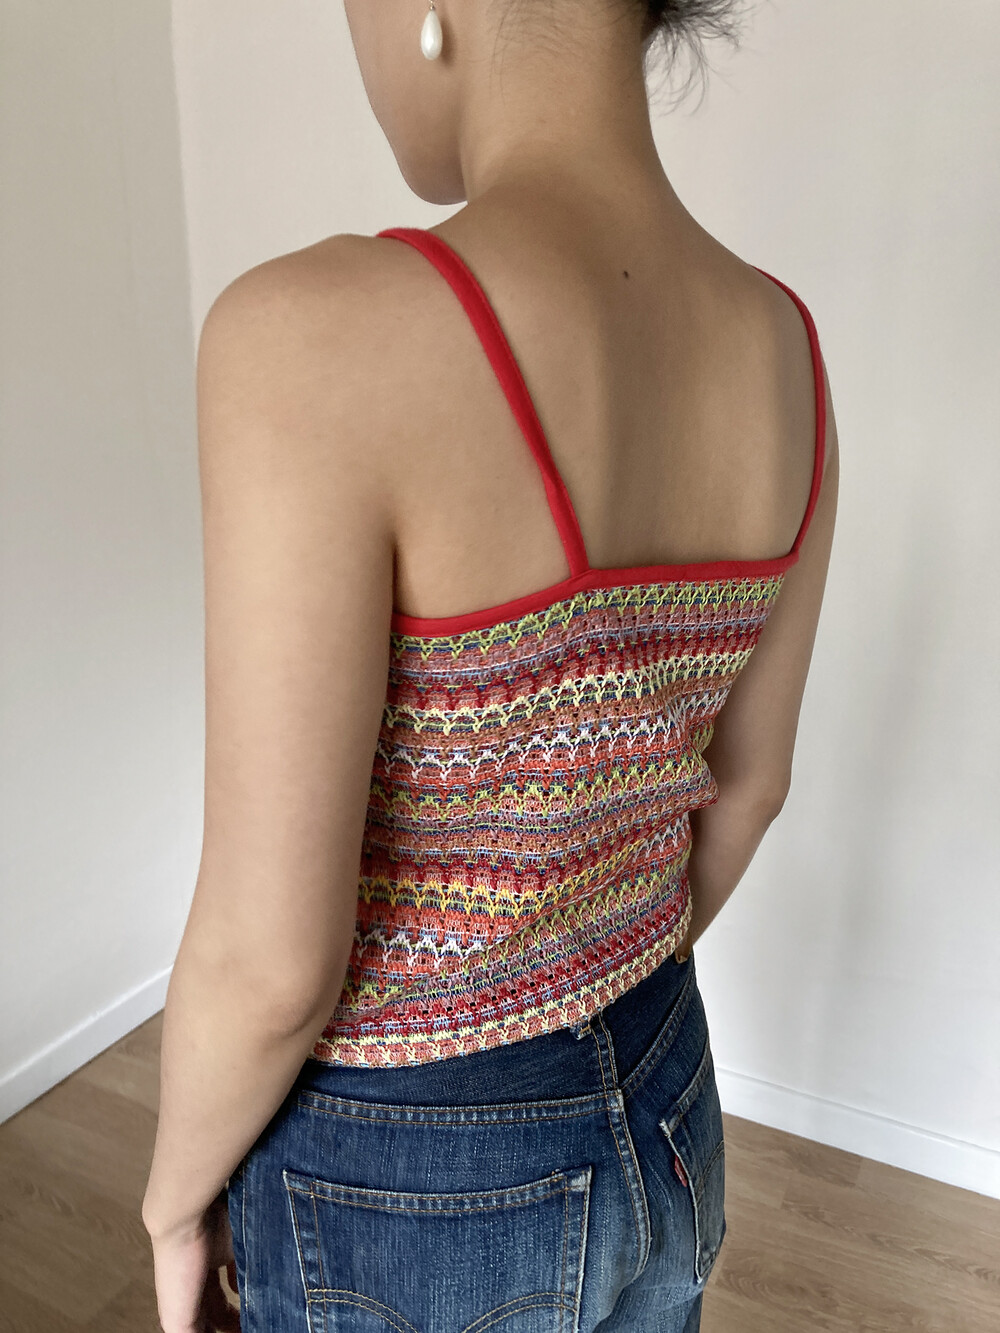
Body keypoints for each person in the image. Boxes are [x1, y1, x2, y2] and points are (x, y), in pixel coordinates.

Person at [141, 1, 839, 1330]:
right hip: (667, 1084)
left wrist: (173, 1200)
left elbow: (273, 961)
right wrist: (587, 983)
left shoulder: (310, 335)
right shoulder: (786, 347)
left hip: (410, 1182)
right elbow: (751, 788)